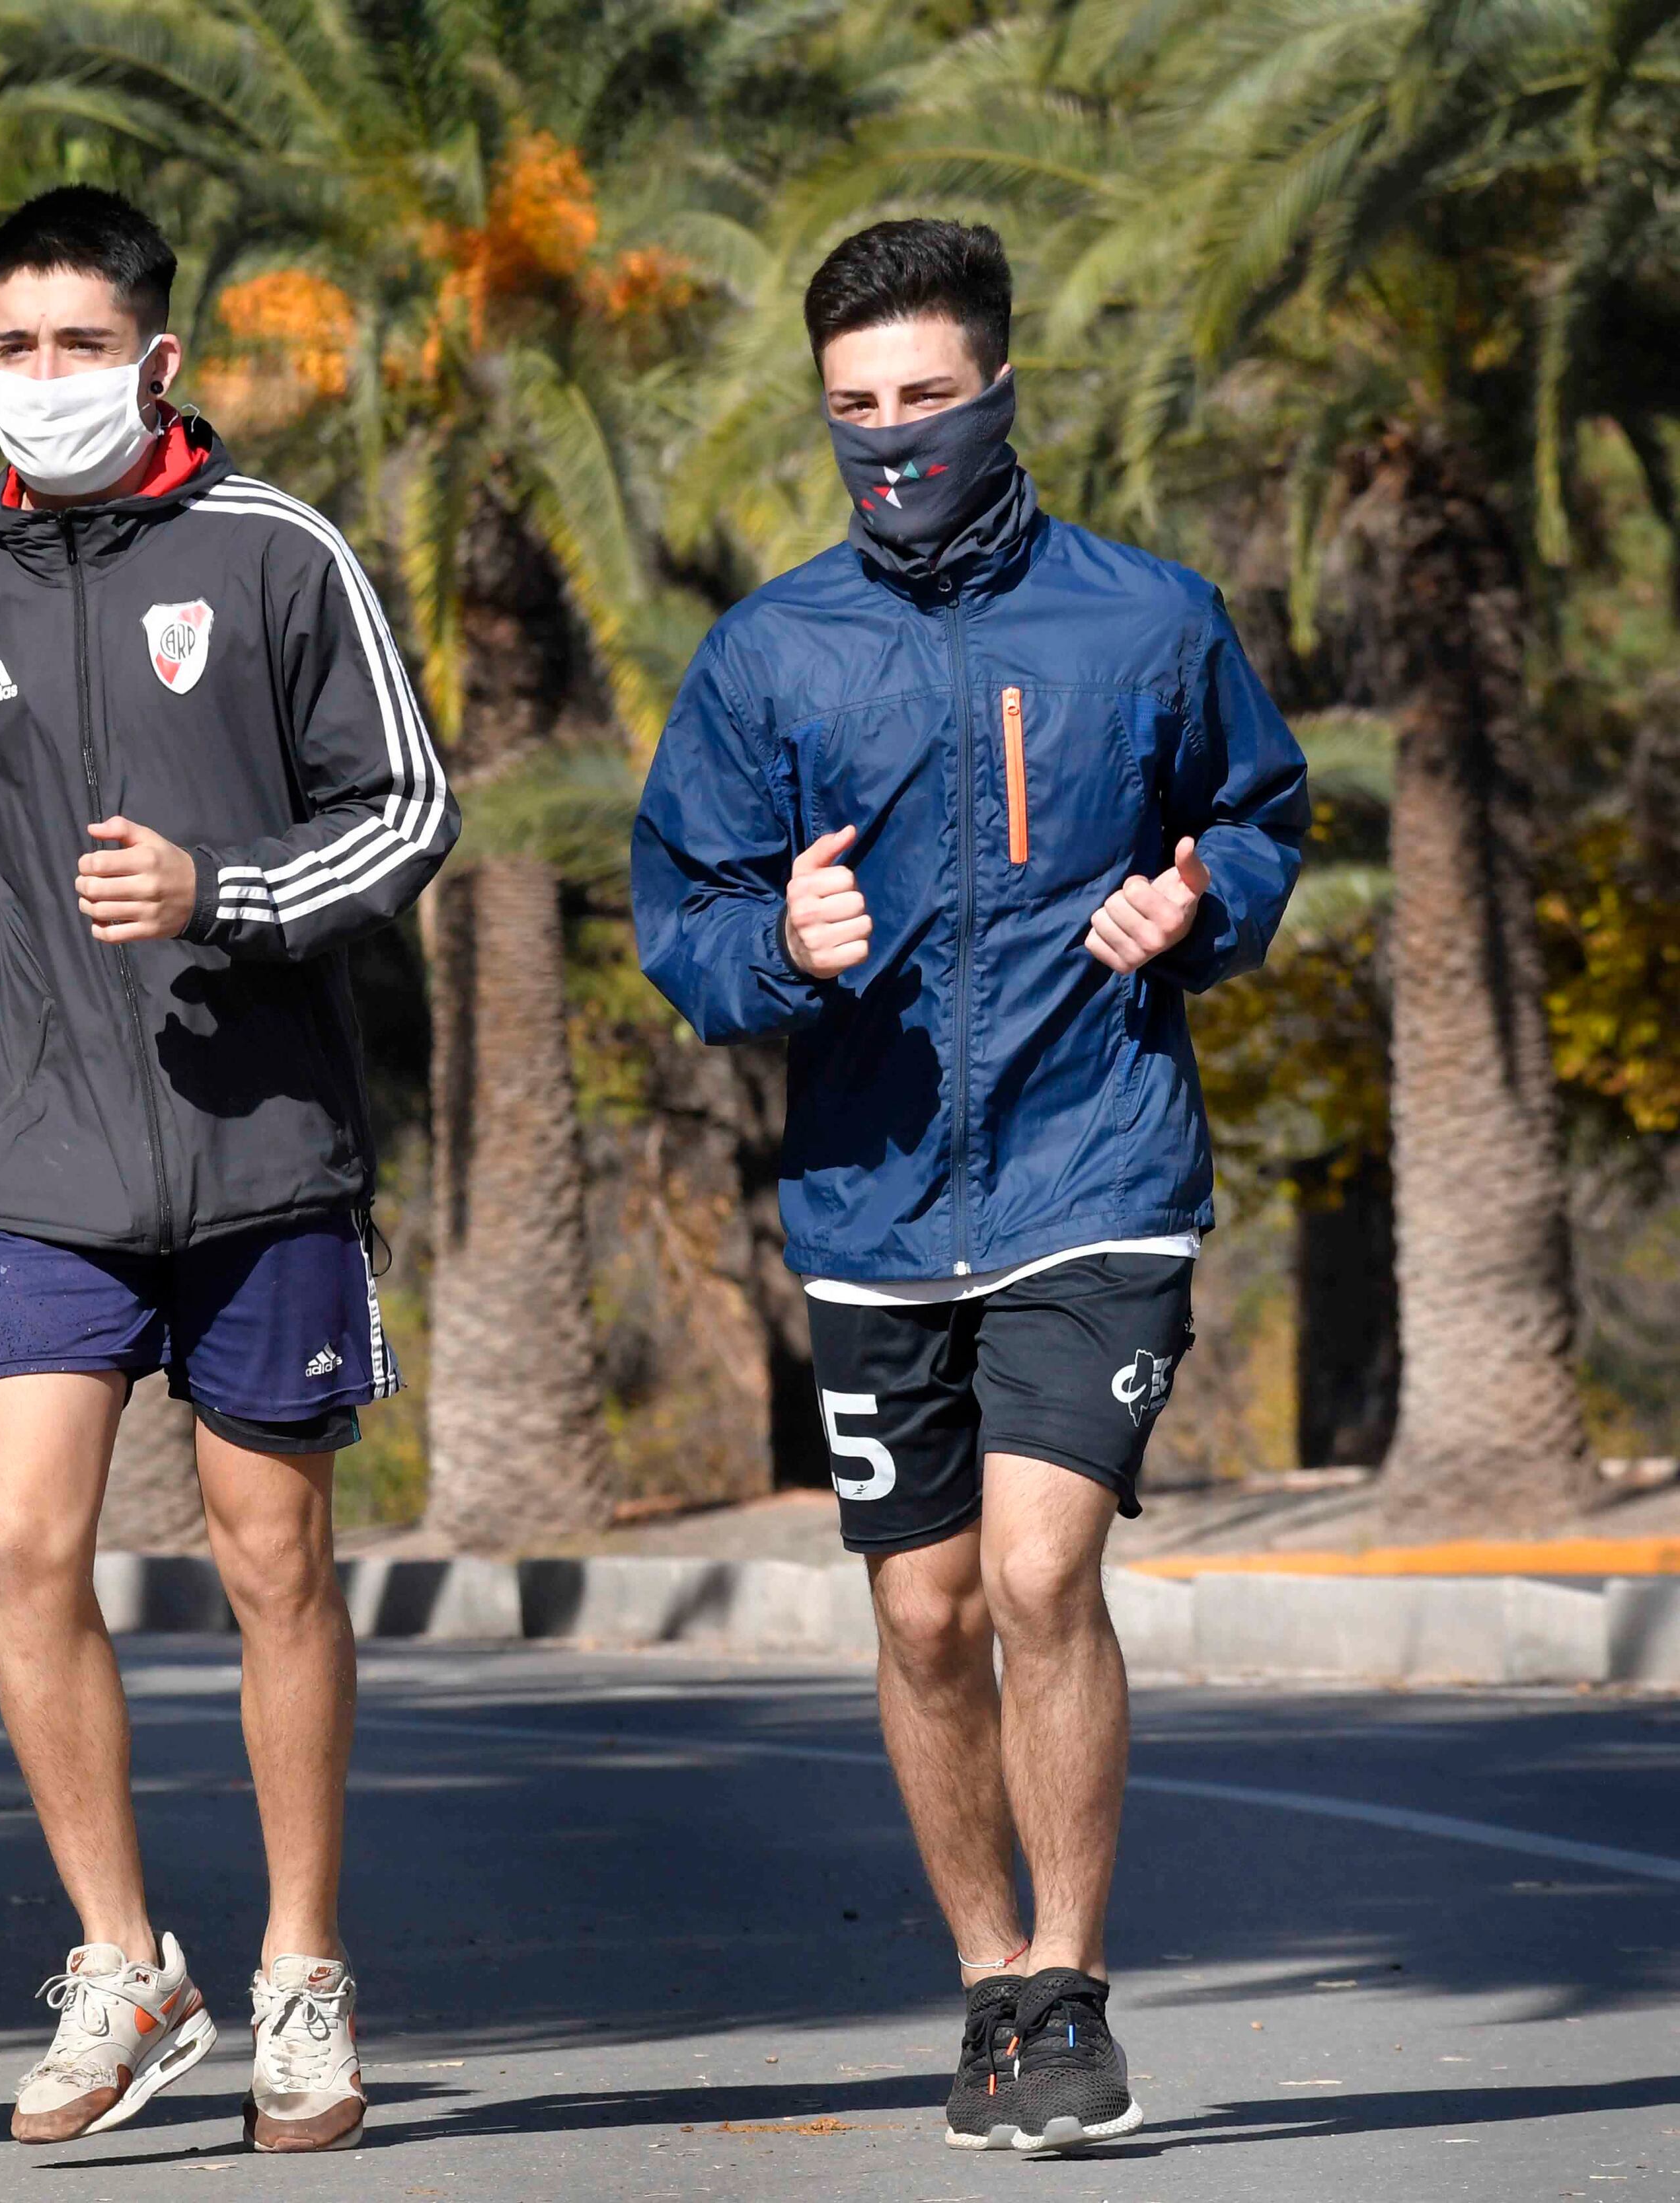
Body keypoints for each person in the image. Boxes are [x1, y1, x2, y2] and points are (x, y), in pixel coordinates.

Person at [632, 219, 1307, 2156]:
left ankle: (1073, 1988)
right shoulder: (770, 654)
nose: (894, 437)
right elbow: (684, 914)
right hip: (867, 1201)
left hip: (1095, 1167)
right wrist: (787, 938)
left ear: (1001, 395)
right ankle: (988, 1983)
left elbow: (1255, 816)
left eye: (928, 400)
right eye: (857, 410)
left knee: (1035, 1573)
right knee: (924, 1615)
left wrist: (1201, 906)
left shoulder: (1149, 621)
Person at [0, 184, 457, 2154]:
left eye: (75, 346)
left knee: (272, 1557)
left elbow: (413, 810)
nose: (41, 381)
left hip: (260, 1147)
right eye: (9, 348)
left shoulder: (278, 554)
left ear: (158, 358)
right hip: (37, 1155)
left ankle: (301, 1976)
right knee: (27, 1547)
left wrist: (239, 893)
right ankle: (126, 1965)